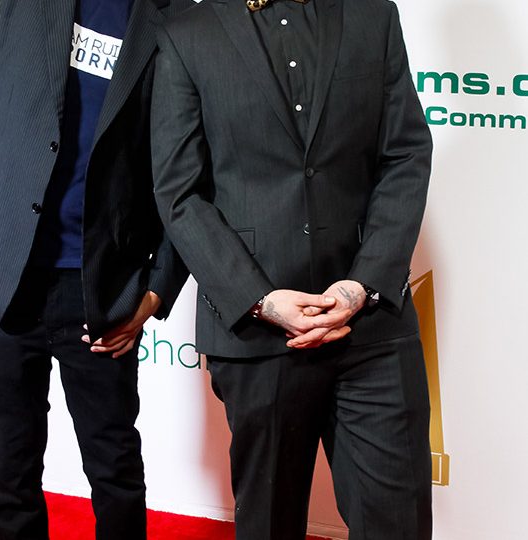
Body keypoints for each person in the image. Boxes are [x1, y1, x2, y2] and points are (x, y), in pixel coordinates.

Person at [151, 0, 433, 539]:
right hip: (258, 334)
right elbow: (180, 193)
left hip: (371, 328)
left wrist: (363, 284)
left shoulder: (373, 15)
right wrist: (259, 298)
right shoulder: (187, 31)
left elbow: (406, 153)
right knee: (270, 525)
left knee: (398, 524)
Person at [0, 0, 189, 539]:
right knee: (10, 469)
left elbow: (190, 165)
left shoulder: (175, 13)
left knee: (115, 470)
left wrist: (156, 290)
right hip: (6, 271)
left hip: (104, 285)